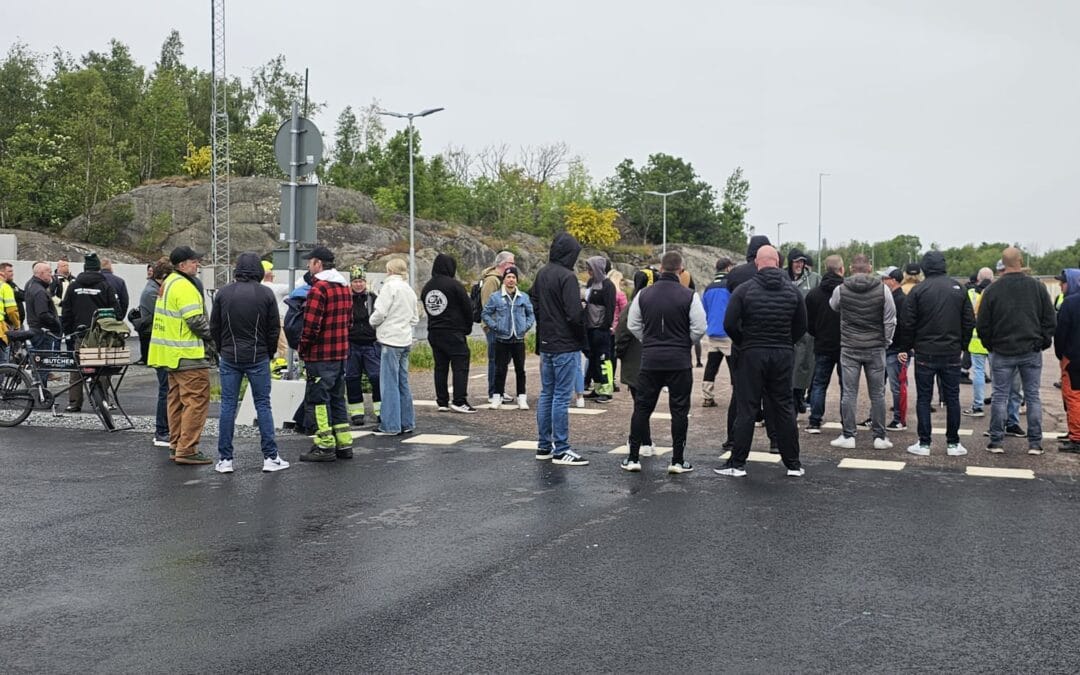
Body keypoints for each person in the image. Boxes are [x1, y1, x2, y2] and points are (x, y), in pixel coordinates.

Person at [716, 245, 807, 478]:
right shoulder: (793, 291)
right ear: (777, 263)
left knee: (747, 407)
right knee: (784, 407)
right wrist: (787, 342)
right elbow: (802, 326)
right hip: (782, 353)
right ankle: (793, 464)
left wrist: (744, 341)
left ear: (757, 263)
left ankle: (737, 464)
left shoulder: (744, 290)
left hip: (752, 353)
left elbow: (729, 323)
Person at [622, 251, 707, 473]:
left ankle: (633, 457)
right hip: (679, 361)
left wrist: (648, 341)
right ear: (681, 269)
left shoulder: (643, 295)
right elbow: (700, 327)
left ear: (660, 268)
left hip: (650, 359)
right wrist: (683, 342)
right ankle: (677, 460)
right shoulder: (689, 296)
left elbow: (633, 324)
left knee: (642, 408)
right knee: (679, 410)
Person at [210, 252, 288, 473]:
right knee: (263, 404)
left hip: (230, 356)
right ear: (258, 271)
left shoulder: (223, 293)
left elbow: (214, 326)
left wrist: (221, 349)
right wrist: (270, 352)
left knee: (227, 405)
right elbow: (273, 328)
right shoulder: (265, 293)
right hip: (258, 356)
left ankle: (225, 459)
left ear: (237, 270)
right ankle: (270, 457)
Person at [977, 247, 1056, 455]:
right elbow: (1049, 319)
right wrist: (1043, 342)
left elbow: (983, 323)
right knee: (1032, 396)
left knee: (999, 396)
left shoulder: (992, 290)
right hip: (1030, 349)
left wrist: (990, 345)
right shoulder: (1037, 287)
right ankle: (1035, 443)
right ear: (1021, 261)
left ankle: (996, 441)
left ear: (1002, 264)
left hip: (1002, 351)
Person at [899, 251, 974, 457]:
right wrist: (963, 346)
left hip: (925, 352)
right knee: (952, 398)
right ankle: (953, 443)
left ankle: (924, 443)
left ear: (924, 267)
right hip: (951, 352)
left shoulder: (918, 290)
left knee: (924, 398)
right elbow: (968, 320)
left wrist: (908, 347)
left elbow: (907, 322)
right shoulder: (959, 288)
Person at [147, 247, 214, 465]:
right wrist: (215, 338)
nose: (198, 265)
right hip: (188, 355)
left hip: (170, 355)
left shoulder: (168, 283)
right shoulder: (185, 286)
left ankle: (176, 445)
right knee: (196, 401)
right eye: (194, 262)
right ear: (182, 265)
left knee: (175, 402)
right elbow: (195, 320)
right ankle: (188, 449)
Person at [827, 254, 896, 450]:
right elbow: (890, 319)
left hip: (849, 346)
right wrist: (886, 341)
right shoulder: (883, 290)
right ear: (870, 268)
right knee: (878, 394)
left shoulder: (841, 289)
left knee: (849, 393)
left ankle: (848, 435)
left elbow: (833, 306)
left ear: (850, 268)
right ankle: (880, 437)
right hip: (875, 347)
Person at [532, 232, 589, 466]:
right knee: (560, 397)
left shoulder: (542, 273)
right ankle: (562, 448)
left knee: (547, 394)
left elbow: (533, 300)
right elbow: (574, 314)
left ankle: (544, 445)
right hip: (565, 343)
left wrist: (545, 321)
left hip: (546, 341)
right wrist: (582, 337)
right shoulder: (567, 277)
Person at [295, 246, 354, 462]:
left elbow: (311, 326)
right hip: (340, 354)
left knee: (319, 400)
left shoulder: (319, 289)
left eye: (310, 262)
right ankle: (344, 443)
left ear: (318, 264)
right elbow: (349, 322)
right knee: (338, 398)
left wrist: (303, 347)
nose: (308, 267)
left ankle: (325, 444)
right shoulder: (344, 287)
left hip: (320, 355)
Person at [61, 253, 119, 413]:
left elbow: (66, 312)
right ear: (98, 268)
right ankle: (101, 401)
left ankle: (74, 402)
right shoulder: (105, 286)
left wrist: (69, 332)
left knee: (77, 369)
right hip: (100, 335)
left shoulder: (74, 286)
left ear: (85, 268)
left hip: (80, 334)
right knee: (101, 368)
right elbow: (116, 311)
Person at [370, 257, 420, 436]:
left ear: (389, 270)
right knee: (403, 383)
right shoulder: (409, 289)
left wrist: (373, 322)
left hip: (390, 340)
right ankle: (407, 422)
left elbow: (380, 312)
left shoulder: (389, 287)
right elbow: (415, 318)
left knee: (389, 384)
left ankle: (390, 425)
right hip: (405, 339)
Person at [422, 253, 477, 413]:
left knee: (440, 367)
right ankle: (459, 400)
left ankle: (442, 401)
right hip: (453, 331)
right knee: (460, 365)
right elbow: (468, 308)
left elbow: (429, 308)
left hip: (434, 331)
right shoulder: (454, 285)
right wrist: (467, 327)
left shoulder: (427, 287)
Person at [482, 265, 535, 410]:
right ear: (504, 280)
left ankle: (521, 397)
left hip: (518, 338)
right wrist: (496, 326)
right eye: (508, 277)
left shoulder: (523, 297)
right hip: (502, 338)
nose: (511, 280)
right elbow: (485, 313)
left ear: (516, 280)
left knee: (520, 370)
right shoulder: (496, 297)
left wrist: (526, 326)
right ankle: (496, 397)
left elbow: (531, 314)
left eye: (513, 277)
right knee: (500, 369)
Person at [804, 255, 845, 434]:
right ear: (841, 269)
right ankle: (847, 421)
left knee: (819, 383)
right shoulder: (847, 292)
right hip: (845, 344)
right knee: (847, 386)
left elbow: (808, 322)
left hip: (822, 343)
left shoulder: (814, 294)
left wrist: (817, 334)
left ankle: (814, 421)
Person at [614, 272, 654, 457]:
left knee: (639, 405)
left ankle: (639, 442)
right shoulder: (657, 305)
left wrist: (619, 354)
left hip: (634, 361)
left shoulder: (632, 307)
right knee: (646, 404)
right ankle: (646, 441)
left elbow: (622, 333)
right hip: (656, 361)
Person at [344, 265, 381, 427]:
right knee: (352, 378)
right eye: (356, 281)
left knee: (376, 377)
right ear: (351, 283)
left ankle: (380, 410)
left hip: (370, 344)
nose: (358, 284)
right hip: (351, 344)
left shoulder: (373, 297)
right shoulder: (346, 299)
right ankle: (356, 412)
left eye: (361, 281)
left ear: (365, 282)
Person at [787, 248, 821, 414]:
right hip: (786, 330)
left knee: (805, 367)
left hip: (806, 333)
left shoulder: (814, 279)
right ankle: (791, 400)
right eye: (796, 262)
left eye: (802, 262)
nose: (799, 265)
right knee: (787, 367)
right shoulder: (782, 277)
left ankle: (799, 397)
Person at [143, 259, 173, 447]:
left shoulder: (153, 289)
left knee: (167, 390)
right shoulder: (153, 292)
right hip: (161, 349)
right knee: (165, 390)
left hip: (161, 348)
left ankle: (164, 430)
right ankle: (161, 431)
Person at [480, 250, 517, 402]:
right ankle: (494, 392)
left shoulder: (501, 280)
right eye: (512, 263)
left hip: (505, 327)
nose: (514, 266)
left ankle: (499, 390)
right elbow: (487, 305)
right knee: (495, 359)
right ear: (504, 264)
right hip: (495, 328)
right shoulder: (492, 280)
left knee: (503, 360)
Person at [700, 257, 733, 408]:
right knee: (735, 367)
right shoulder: (731, 286)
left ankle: (707, 396)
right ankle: (737, 395)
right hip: (728, 333)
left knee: (711, 366)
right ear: (727, 268)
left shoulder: (708, 288)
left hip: (712, 332)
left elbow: (704, 310)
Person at [582, 255, 616, 402]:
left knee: (603, 359)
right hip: (589, 328)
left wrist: (605, 326)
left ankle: (607, 390)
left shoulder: (608, 286)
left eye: (591, 268)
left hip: (601, 329)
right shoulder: (590, 283)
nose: (589, 271)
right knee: (593, 359)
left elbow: (610, 308)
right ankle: (597, 388)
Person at [962, 267, 994, 417]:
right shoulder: (997, 292)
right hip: (995, 339)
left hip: (976, 338)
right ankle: (998, 401)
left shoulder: (969, 293)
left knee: (979, 373)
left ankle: (978, 405)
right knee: (997, 374)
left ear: (978, 279)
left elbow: (966, 316)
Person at [1054, 269, 1080, 453]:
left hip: (1073, 358)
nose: (1060, 285)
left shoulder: (1070, 303)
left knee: (1073, 396)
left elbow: (1060, 333)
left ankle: (1076, 437)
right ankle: (1073, 431)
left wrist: (1061, 354)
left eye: (1063, 282)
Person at [881, 267, 909, 431]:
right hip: (891, 348)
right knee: (882, 386)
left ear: (893, 280)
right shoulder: (894, 298)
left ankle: (899, 419)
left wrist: (903, 349)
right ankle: (875, 416)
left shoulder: (900, 300)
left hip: (895, 349)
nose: (882, 282)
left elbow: (905, 326)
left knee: (896, 386)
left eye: (884, 278)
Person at [25, 261, 61, 354]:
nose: (51, 275)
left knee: (38, 361)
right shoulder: (40, 291)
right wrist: (56, 323)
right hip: (42, 332)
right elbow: (43, 314)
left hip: (36, 329)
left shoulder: (32, 285)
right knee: (44, 363)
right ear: (41, 274)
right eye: (49, 272)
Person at [261, 260, 291, 359]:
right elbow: (292, 287)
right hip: (276, 321)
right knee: (283, 347)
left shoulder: (257, 288)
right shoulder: (272, 288)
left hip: (261, 322)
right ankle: (284, 365)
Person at [607, 268, 628, 389]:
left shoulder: (605, 292)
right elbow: (624, 313)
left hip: (604, 327)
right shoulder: (620, 295)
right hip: (615, 329)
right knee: (612, 356)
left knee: (605, 357)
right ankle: (612, 380)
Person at [0, 262, 21, 362]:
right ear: (2, 273)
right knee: (2, 362)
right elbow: (12, 311)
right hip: (1, 329)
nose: (12, 274)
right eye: (9, 271)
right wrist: (17, 325)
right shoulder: (5, 287)